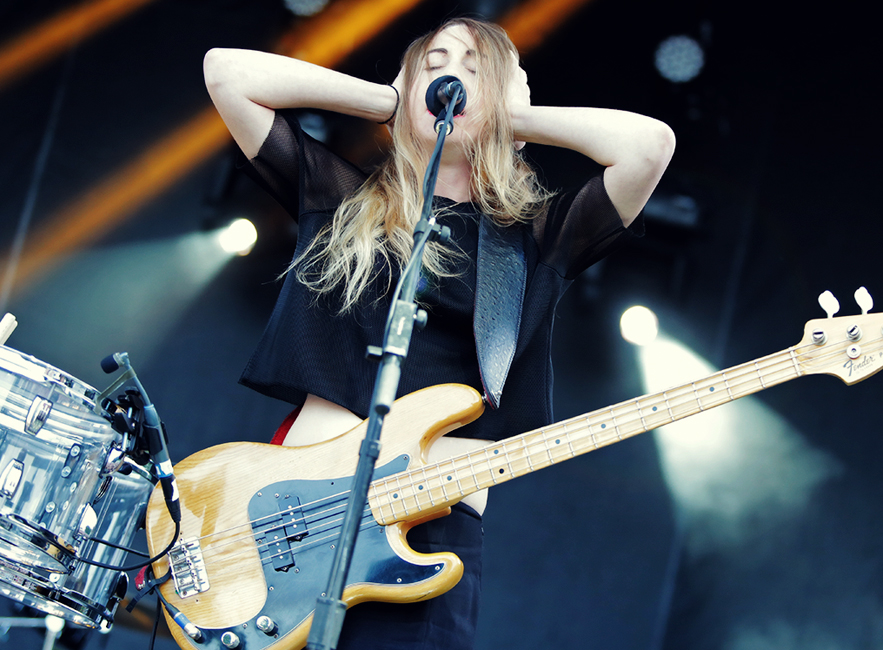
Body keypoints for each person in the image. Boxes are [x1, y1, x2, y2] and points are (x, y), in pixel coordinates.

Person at [203, 16, 673, 649]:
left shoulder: (537, 240)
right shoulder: (343, 199)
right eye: (436, 63)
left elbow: (650, 145)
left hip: (430, 539)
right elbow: (226, 72)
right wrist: (390, 101)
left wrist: (514, 115)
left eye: (475, 69)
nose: (451, 75)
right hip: (293, 525)